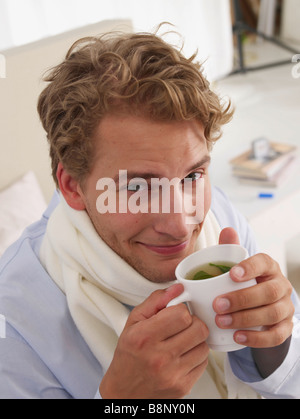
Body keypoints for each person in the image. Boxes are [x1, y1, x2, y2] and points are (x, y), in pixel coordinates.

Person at [0, 27, 298, 399]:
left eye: (192, 175)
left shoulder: (221, 222)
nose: (180, 225)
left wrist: (271, 348)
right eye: (138, 187)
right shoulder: (13, 322)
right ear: (72, 186)